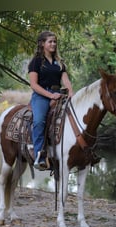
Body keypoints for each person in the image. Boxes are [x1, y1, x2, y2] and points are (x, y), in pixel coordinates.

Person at [28, 31, 74, 170]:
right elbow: (34, 85)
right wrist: (50, 96)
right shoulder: (36, 62)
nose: (53, 44)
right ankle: (39, 156)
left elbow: (65, 80)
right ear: (42, 44)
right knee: (39, 121)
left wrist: (71, 91)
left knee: (74, 116)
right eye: (50, 41)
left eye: (55, 41)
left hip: (59, 94)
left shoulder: (59, 62)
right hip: (41, 95)